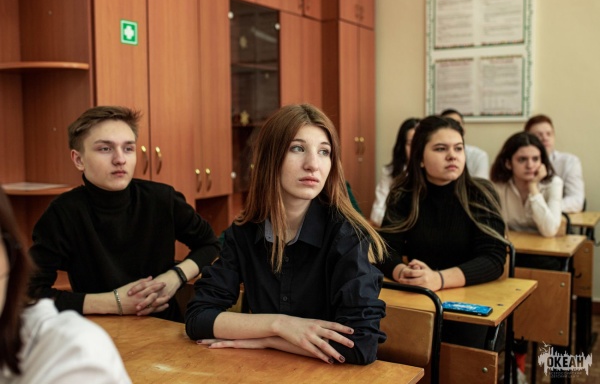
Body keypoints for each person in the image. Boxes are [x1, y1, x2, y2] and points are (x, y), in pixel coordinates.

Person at [185, 104, 387, 365]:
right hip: (264, 372)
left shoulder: (347, 235)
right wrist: (279, 325)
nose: (313, 165)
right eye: (297, 148)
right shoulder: (245, 231)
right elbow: (198, 318)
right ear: (270, 157)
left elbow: (361, 345)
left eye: (324, 152)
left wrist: (267, 340)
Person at [27, 106, 220, 323]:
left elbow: (210, 244)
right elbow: (30, 293)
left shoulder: (162, 199)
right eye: (105, 149)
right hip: (97, 331)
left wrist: (175, 276)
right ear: (78, 159)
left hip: (165, 327)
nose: (120, 159)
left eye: (128, 148)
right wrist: (114, 302)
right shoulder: (63, 213)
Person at [375, 115, 507, 348]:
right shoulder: (404, 194)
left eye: (458, 148)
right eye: (440, 148)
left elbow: (493, 259)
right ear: (420, 158)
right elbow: (384, 250)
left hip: (471, 302)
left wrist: (439, 279)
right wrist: (403, 272)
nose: (452, 155)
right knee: (391, 337)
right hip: (420, 297)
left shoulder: (481, 193)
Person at [0, 187, 131, 383]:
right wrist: (113, 302)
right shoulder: (63, 209)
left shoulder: (73, 351)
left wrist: (175, 276)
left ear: (11, 255)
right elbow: (36, 288)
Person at [490, 132, 563, 267]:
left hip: (544, 251)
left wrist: (533, 187)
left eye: (535, 159)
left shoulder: (553, 183)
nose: (530, 165)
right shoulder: (498, 185)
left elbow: (549, 230)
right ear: (508, 163)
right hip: (510, 248)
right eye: (522, 159)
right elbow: (496, 228)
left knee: (547, 265)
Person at [525, 114, 585, 213]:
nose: (545, 138)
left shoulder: (570, 162)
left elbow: (576, 200)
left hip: (559, 218)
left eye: (549, 134)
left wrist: (545, 209)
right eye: (538, 135)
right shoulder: (519, 162)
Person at [370, 117, 420, 227]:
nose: (416, 149)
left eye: (419, 143)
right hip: (397, 229)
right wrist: (401, 223)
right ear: (402, 146)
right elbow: (376, 213)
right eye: (410, 144)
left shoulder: (433, 173)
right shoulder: (390, 172)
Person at [441, 109, 490, 179]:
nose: (452, 156)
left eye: (457, 124)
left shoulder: (479, 156)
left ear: (464, 129)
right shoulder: (436, 156)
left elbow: (481, 183)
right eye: (448, 124)